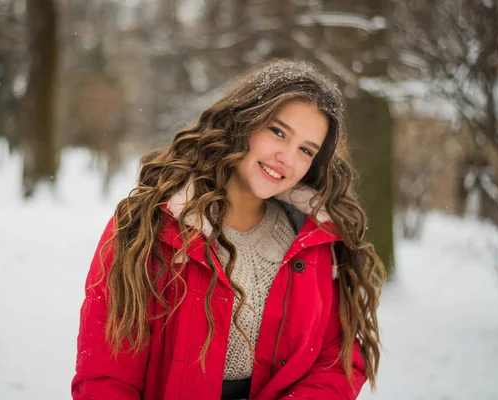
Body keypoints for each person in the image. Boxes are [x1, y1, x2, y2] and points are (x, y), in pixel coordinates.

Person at [72, 59, 385, 400]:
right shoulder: (151, 224)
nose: (286, 157)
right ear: (246, 120)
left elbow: (337, 359)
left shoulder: (316, 241)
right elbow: (107, 373)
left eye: (306, 150)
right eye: (278, 132)